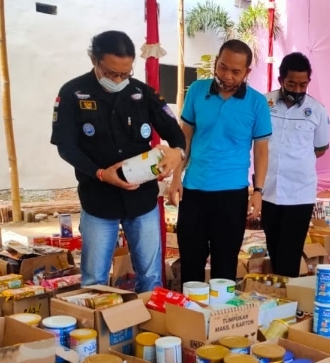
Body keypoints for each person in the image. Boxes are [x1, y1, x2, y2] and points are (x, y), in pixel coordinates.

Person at [51, 30, 185, 292]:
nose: (119, 79)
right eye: (112, 73)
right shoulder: (72, 93)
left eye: (126, 73)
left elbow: (176, 135)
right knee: (93, 281)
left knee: (150, 278)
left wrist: (176, 152)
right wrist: (100, 173)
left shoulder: (143, 93)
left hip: (142, 202)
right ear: (94, 60)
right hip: (98, 200)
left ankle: (149, 327)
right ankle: (97, 330)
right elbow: (66, 146)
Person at [169, 40, 271, 284]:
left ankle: (220, 317)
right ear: (216, 63)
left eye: (236, 71)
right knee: (191, 261)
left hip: (232, 195)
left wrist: (257, 191)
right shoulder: (196, 90)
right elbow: (186, 138)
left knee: (224, 264)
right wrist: (176, 177)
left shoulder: (257, 103)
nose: (227, 75)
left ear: (247, 72)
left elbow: (261, 151)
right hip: (193, 191)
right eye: (223, 67)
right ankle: (191, 315)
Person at [261, 53, 330, 277]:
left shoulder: (317, 110)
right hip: (268, 189)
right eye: (292, 83)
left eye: (303, 84)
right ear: (281, 80)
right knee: (273, 247)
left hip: (300, 193)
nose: (298, 89)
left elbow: (320, 148)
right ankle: (275, 294)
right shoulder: (264, 103)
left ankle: (286, 299)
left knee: (290, 252)